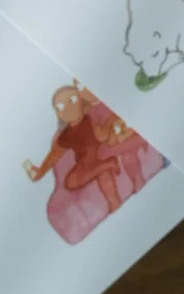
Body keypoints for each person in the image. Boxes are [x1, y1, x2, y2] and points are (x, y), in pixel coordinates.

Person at [25, 82, 135, 216]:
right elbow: (55, 153)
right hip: (84, 163)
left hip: (100, 154)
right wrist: (41, 171)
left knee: (104, 180)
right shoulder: (66, 135)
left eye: (72, 100)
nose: (67, 108)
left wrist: (108, 130)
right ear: (58, 114)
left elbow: (104, 131)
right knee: (71, 181)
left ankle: (114, 200)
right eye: (60, 107)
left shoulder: (90, 118)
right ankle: (107, 166)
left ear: (81, 101)